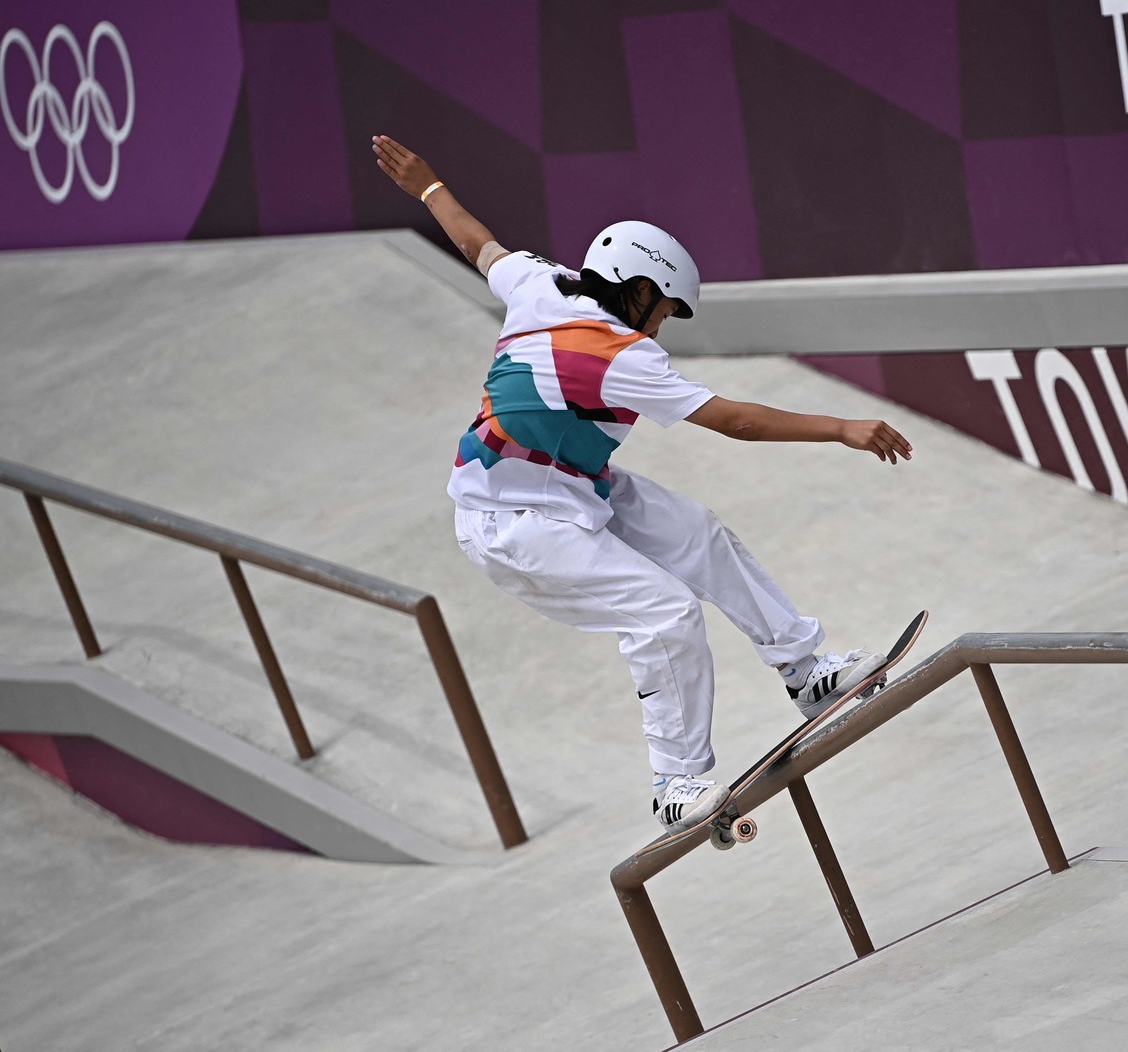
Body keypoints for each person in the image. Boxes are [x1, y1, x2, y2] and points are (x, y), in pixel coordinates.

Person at [371, 134, 914, 832]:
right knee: (664, 613)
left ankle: (807, 672)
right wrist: (840, 428)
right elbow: (736, 421)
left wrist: (426, 185)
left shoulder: (541, 282)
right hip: (512, 523)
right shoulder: (618, 354)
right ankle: (675, 784)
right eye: (663, 311)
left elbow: (478, 243)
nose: (662, 329)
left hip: (572, 485)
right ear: (637, 292)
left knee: (700, 533)